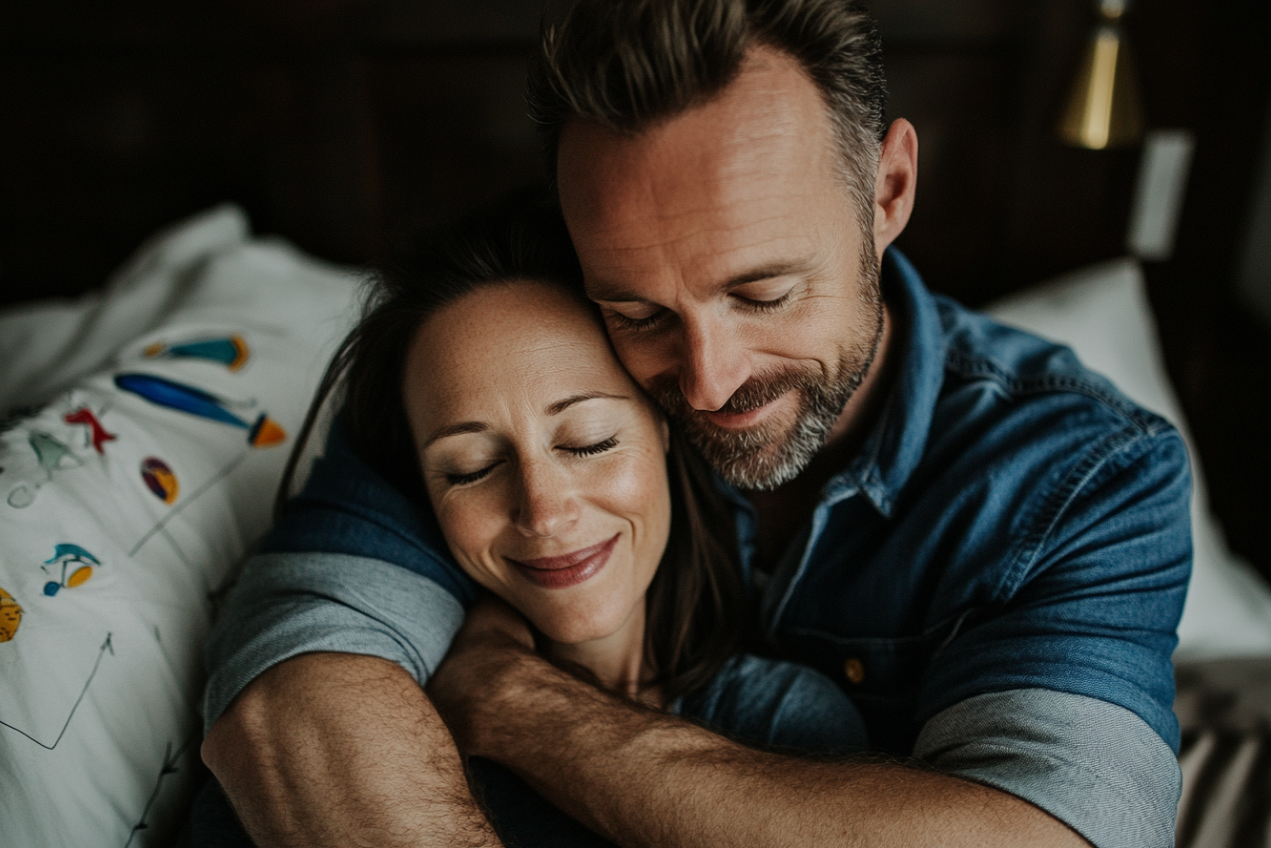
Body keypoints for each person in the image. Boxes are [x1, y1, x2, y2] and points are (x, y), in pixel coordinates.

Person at [201, 2, 1192, 847]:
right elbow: (298, 690)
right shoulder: (517, 355)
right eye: (638, 313)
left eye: (761, 292)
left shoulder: (1089, 472)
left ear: (886, 191)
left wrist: (521, 704)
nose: (708, 381)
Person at [190, 198, 866, 847]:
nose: (542, 512)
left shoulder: (782, 727)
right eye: (470, 467)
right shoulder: (363, 744)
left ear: (666, 427)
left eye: (588, 441)